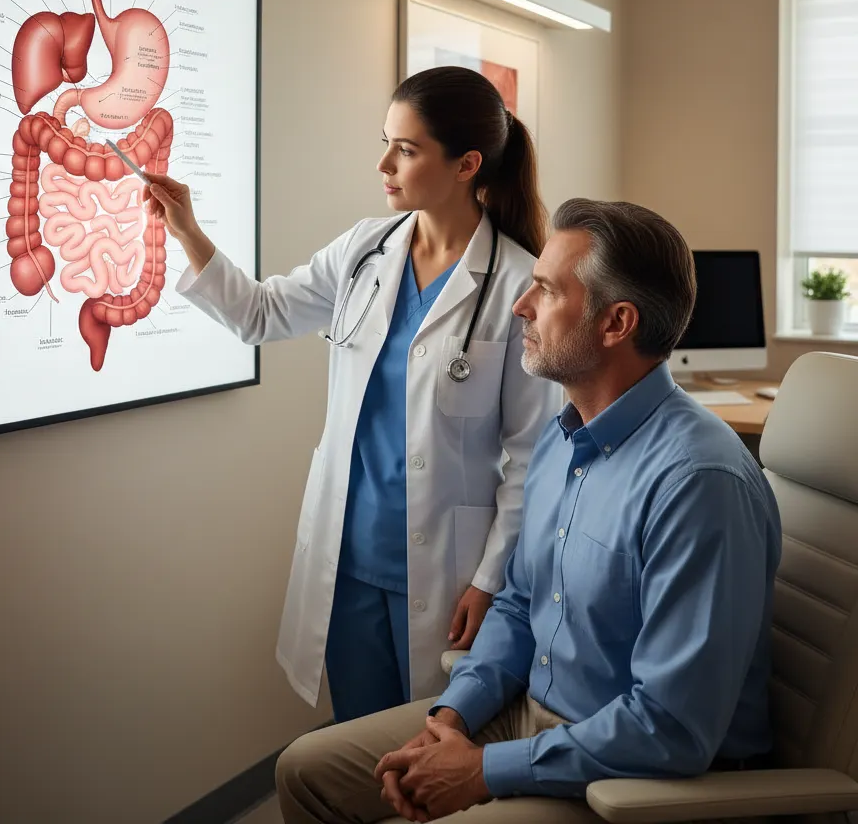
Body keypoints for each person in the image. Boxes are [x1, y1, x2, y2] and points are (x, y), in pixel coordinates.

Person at [275, 198, 783, 823]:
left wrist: (482, 771)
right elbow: (519, 604)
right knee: (306, 773)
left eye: (545, 291)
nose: (520, 306)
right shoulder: (562, 436)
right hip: (525, 714)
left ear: (616, 323)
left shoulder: (698, 482)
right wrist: (452, 717)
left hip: (632, 773)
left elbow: (670, 727)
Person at [142, 67, 561, 722]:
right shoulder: (366, 249)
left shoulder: (515, 284)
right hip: (348, 560)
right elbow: (260, 314)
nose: (383, 164)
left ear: (465, 164)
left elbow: (531, 459)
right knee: (357, 747)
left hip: (449, 572)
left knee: (428, 752)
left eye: (407, 149)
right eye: (386, 142)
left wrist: (490, 580)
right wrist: (187, 231)